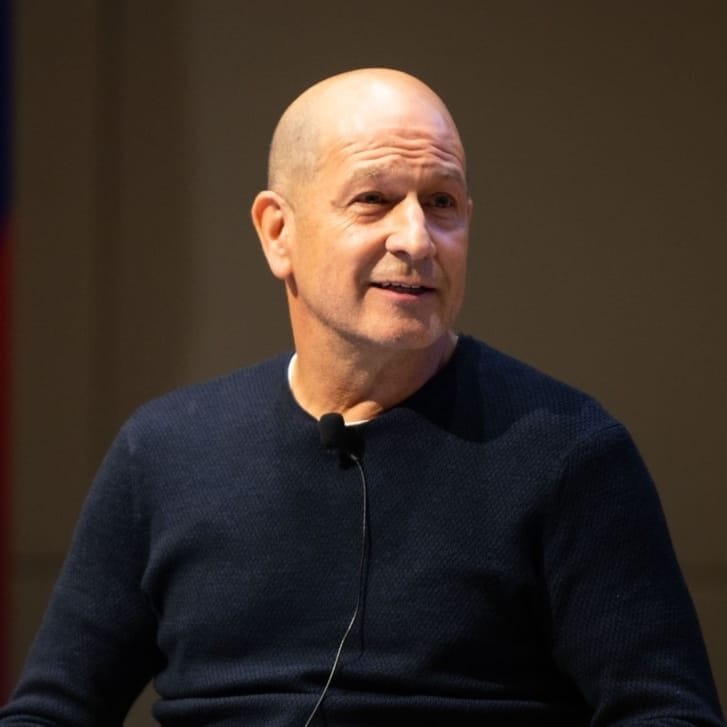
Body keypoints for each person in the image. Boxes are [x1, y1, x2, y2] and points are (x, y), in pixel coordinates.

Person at [1, 68, 723, 726]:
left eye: (441, 203)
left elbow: (665, 715)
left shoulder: (567, 452)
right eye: (373, 201)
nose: (416, 238)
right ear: (277, 232)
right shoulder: (161, 451)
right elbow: (52, 710)